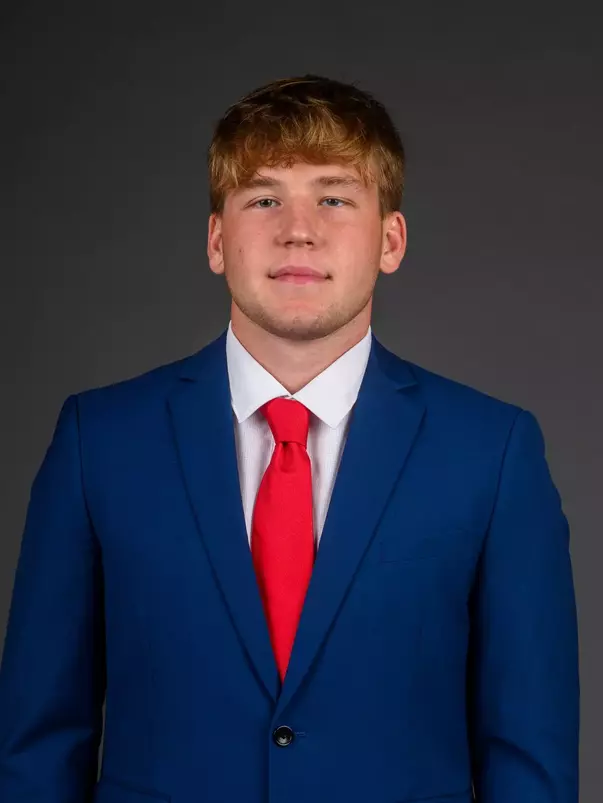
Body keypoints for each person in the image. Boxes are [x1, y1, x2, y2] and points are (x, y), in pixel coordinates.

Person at [0, 74, 579, 803]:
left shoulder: (491, 452)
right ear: (216, 240)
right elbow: (39, 744)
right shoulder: (100, 441)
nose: (297, 228)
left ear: (390, 239)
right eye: (263, 198)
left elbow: (528, 756)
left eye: (334, 197)